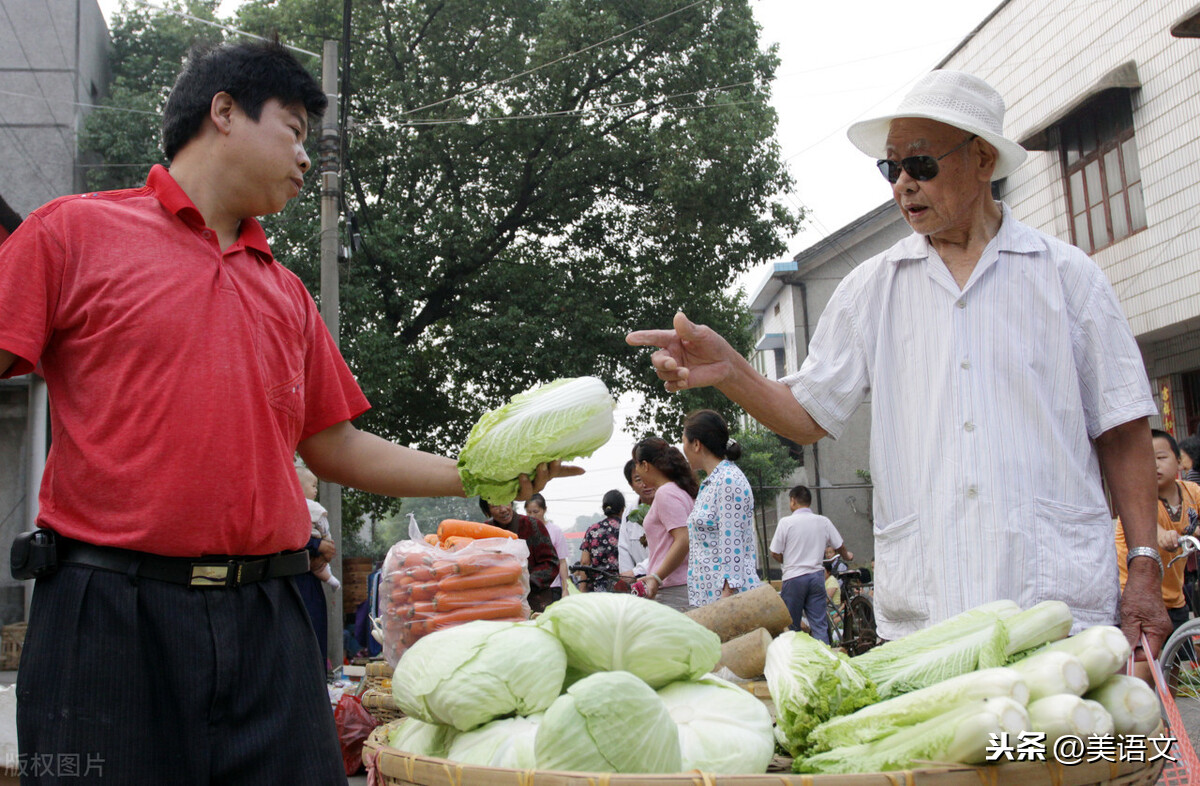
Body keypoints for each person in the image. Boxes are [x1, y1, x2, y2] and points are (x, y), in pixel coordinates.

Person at [0, 40, 575, 785]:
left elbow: (335, 442)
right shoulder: (70, 234)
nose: (306, 159)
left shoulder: (288, 294)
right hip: (107, 617)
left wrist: (485, 471)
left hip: (269, 619)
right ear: (225, 111)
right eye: (296, 130)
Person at [627, 69, 1168, 652]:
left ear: (983, 160)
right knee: (950, 748)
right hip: (931, 608)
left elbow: (1122, 429)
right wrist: (731, 367)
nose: (904, 183)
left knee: (1050, 747)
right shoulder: (871, 288)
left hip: (1053, 601)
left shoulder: (1067, 278)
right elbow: (808, 414)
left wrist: (1142, 562)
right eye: (892, 168)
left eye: (921, 165)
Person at [1115, 431, 1200, 640]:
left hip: (1174, 598)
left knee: (1176, 667)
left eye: (1161, 458)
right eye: (1145, 459)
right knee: (1145, 666)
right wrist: (1163, 535)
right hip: (1138, 599)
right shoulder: (1136, 499)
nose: (1153, 464)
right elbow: (1148, 525)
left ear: (1180, 462)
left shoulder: (1193, 492)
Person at [680, 409, 760, 606]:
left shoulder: (728, 481)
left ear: (696, 444)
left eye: (684, 442)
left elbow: (732, 545)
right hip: (709, 599)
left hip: (727, 601)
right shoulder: (712, 482)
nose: (682, 448)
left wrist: (725, 604)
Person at [769, 486, 853, 643]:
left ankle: (796, 660)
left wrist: (787, 561)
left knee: (792, 625)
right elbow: (839, 544)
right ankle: (825, 660)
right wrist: (846, 555)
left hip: (794, 578)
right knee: (819, 624)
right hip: (816, 577)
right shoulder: (823, 521)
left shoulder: (786, 522)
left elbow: (774, 552)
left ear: (793, 501)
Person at [631, 437, 698, 611]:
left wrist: (657, 577)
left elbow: (683, 539)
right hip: (684, 584)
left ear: (645, 465)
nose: (636, 470)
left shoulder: (665, 493)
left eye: (636, 465)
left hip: (673, 588)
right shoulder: (681, 490)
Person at [479, 498, 561, 613]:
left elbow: (551, 563)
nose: (503, 509)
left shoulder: (533, 525)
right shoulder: (483, 532)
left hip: (535, 601)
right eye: (495, 506)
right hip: (499, 603)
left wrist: (524, 582)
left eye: (505, 502)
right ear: (487, 512)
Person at [295, 465, 338, 669]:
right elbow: (283, 537)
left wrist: (324, 547)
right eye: (312, 485)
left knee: (314, 640)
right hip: (290, 582)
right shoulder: (285, 508)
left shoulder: (313, 510)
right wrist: (316, 545)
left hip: (309, 580)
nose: (316, 490)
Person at [577, 490, 624, 592]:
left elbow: (585, 562)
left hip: (598, 588)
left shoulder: (593, 530)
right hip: (623, 585)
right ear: (623, 509)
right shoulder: (627, 528)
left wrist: (582, 589)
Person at [525, 493, 568, 602]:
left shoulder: (555, 531)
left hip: (552, 588)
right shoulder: (524, 531)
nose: (532, 516)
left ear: (544, 510)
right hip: (530, 587)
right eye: (529, 512)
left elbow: (562, 562)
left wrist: (565, 589)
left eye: (536, 512)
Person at [618, 459, 651, 578]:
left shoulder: (667, 504)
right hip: (639, 581)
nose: (645, 484)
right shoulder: (629, 512)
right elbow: (624, 548)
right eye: (638, 480)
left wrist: (636, 572)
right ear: (631, 485)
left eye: (647, 477)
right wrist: (628, 577)